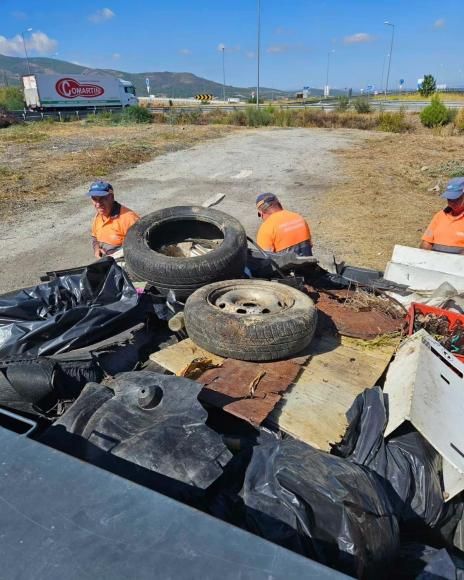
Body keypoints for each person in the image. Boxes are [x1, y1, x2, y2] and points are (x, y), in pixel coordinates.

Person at [87, 181, 140, 259]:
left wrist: (114, 256)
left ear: (111, 197)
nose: (98, 204)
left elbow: (139, 246)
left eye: (102, 199)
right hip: (106, 261)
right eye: (94, 199)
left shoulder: (129, 218)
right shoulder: (99, 216)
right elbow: (94, 237)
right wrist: (96, 248)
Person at [420, 177, 464, 254]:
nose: (452, 203)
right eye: (449, 199)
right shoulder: (440, 216)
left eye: (456, 199)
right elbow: (427, 242)